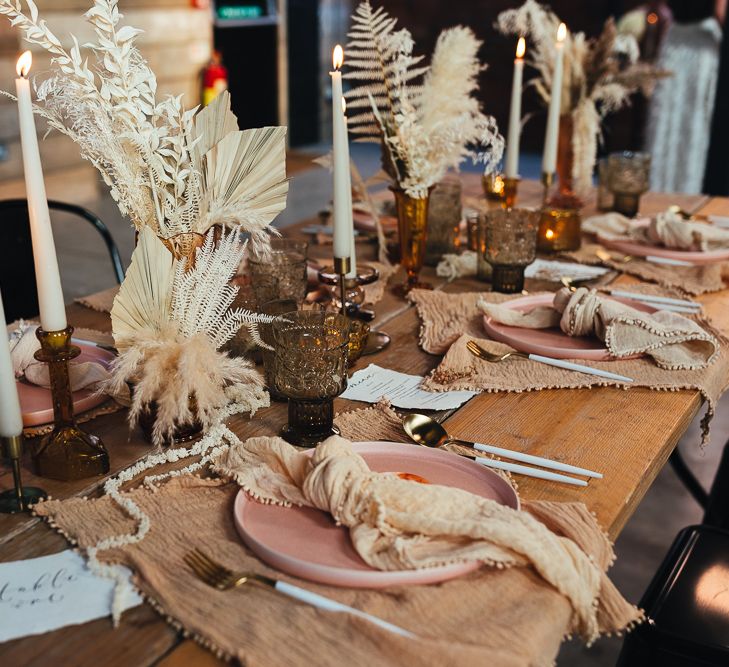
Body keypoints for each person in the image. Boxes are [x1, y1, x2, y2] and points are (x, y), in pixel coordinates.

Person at [644, 0, 723, 193]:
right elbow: (721, 11)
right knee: (694, 123)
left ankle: (663, 188)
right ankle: (689, 189)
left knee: (671, 122)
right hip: (701, 47)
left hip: (676, 40)